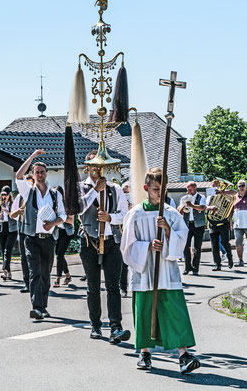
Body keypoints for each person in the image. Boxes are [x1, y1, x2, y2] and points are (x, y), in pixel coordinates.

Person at [121, 168, 199, 374]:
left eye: (162, 189)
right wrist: (147, 246)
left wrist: (166, 230)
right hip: (144, 271)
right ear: (146, 188)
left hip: (166, 271)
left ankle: (184, 355)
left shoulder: (171, 213)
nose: (159, 193)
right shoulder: (135, 214)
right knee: (145, 312)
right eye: (155, 189)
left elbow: (181, 240)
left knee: (175, 310)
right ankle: (145, 352)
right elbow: (127, 247)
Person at [78, 150, 130, 343]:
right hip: (89, 241)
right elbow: (78, 208)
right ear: (88, 167)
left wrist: (110, 218)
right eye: (93, 166)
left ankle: (116, 326)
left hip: (111, 241)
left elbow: (125, 214)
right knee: (93, 286)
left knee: (113, 286)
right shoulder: (80, 187)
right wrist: (95, 191)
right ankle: (96, 325)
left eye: (100, 166)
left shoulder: (115, 189)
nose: (96, 170)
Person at [16, 149, 66, 320]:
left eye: (42, 172)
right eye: (36, 172)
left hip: (49, 239)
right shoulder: (28, 191)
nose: (39, 174)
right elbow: (18, 175)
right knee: (34, 271)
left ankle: (43, 306)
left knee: (45, 274)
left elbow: (63, 216)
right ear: (33, 175)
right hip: (31, 238)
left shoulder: (55, 194)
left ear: (46, 174)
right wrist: (32, 157)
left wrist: (53, 223)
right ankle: (36, 307)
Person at [219, 180, 247, 266]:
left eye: (242, 186)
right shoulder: (234, 196)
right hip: (237, 224)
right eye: (239, 186)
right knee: (238, 242)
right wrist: (230, 222)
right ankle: (240, 260)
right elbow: (231, 210)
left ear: (246, 186)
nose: (241, 188)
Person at [10, 174, 34, 293]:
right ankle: (27, 283)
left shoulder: (36, 194)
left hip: (35, 228)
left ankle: (36, 281)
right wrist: (19, 211)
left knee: (35, 257)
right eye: (26, 183)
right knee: (24, 256)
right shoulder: (19, 197)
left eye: (30, 183)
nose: (28, 185)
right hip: (23, 228)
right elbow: (11, 214)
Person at [178, 181, 206, 275]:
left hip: (198, 225)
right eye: (187, 189)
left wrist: (191, 205)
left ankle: (195, 268)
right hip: (187, 224)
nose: (188, 190)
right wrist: (182, 207)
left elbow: (202, 208)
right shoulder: (184, 198)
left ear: (195, 188)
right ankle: (187, 267)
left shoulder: (201, 197)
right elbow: (179, 211)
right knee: (186, 246)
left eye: (190, 189)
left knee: (197, 247)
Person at [206, 179, 233, 271]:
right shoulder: (210, 195)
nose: (214, 187)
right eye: (213, 185)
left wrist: (222, 192)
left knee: (225, 242)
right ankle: (217, 264)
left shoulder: (226, 194)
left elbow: (235, 192)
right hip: (213, 222)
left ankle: (230, 258)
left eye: (216, 185)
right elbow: (205, 206)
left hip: (223, 222)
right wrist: (211, 208)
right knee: (214, 245)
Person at [51, 185, 74, 288]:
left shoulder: (67, 205)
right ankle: (68, 275)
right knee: (59, 254)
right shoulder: (53, 204)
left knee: (60, 254)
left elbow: (71, 220)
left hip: (66, 232)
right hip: (58, 231)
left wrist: (60, 217)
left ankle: (57, 278)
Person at [0, 186, 17, 281]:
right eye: (2, 195)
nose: (3, 197)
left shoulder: (13, 204)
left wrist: (8, 212)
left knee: (7, 250)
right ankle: (8, 273)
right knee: (3, 251)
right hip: (2, 227)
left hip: (12, 228)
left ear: (9, 195)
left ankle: (4, 269)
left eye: (5, 195)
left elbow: (15, 216)